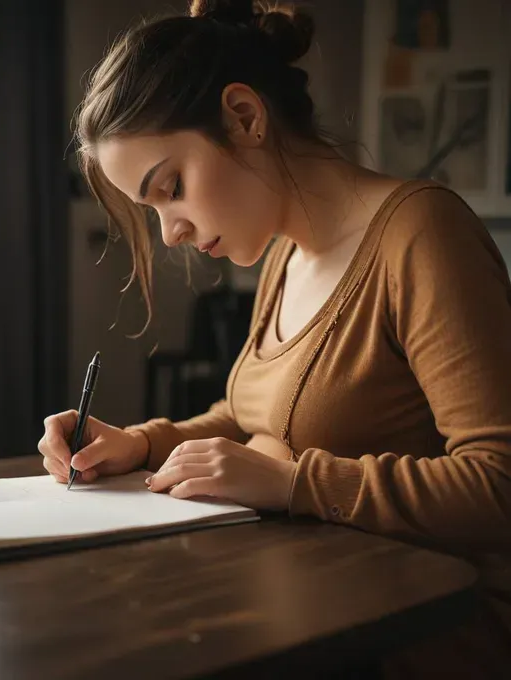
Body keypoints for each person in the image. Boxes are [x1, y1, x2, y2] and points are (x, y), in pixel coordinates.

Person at [38, 0, 511, 676]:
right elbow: (252, 419)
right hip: (314, 605)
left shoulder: (422, 235)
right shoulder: (285, 254)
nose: (169, 230)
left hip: (427, 638)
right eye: (153, 209)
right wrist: (140, 442)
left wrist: (295, 484)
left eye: (171, 187)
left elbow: (499, 485)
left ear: (245, 117)